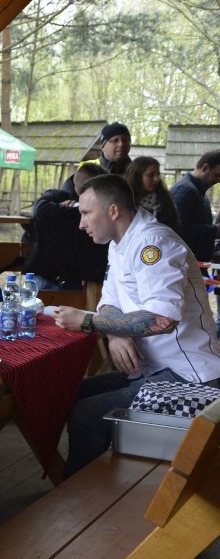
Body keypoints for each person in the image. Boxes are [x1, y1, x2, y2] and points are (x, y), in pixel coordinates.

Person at [52, 174, 220, 477]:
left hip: (192, 379)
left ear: (113, 211)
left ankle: (81, 501)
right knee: (68, 393)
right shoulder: (121, 243)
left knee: (88, 415)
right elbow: (109, 303)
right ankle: (98, 485)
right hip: (154, 370)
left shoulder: (154, 243)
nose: (81, 223)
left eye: (86, 213)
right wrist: (114, 332)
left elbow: (161, 320)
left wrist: (88, 322)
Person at [24, 163, 110, 290]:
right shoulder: (56, 197)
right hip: (53, 276)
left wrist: (66, 201)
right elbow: (40, 210)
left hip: (73, 276)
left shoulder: (55, 206)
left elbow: (41, 209)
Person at [169, 149, 220, 263]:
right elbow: (176, 230)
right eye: (217, 175)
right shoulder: (186, 190)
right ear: (205, 168)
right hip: (185, 264)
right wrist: (214, 230)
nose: (218, 180)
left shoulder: (197, 191)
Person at [61, 122, 132, 197]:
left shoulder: (137, 171)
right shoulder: (89, 168)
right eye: (115, 140)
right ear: (103, 146)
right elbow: (63, 197)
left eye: (125, 140)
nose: (121, 144)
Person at [124, 156, 180, 234]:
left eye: (158, 174)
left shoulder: (165, 199)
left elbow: (174, 226)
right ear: (137, 176)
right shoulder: (125, 200)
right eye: (151, 175)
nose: (156, 179)